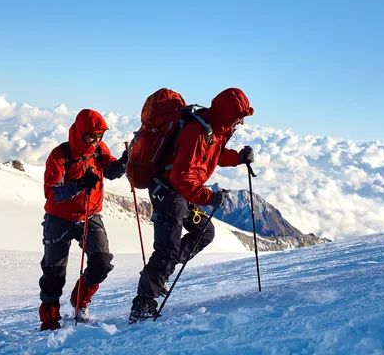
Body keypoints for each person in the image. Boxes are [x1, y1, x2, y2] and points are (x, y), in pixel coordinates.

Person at [129, 87, 255, 322]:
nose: (241, 123)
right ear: (228, 114)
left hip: (179, 191)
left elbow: (212, 157)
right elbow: (181, 177)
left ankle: (160, 276)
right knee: (167, 249)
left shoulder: (215, 129)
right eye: (239, 118)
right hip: (168, 191)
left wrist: (237, 157)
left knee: (203, 232)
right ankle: (143, 304)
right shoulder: (198, 131)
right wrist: (210, 197)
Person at [38, 109, 127, 331]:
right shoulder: (59, 155)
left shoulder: (99, 150)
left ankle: (80, 301)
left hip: (90, 214)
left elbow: (111, 170)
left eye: (100, 137)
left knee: (101, 262)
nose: (96, 141)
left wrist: (124, 162)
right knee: (53, 273)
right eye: (92, 136)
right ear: (80, 133)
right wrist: (78, 185)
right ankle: (50, 321)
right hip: (59, 217)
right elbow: (53, 193)